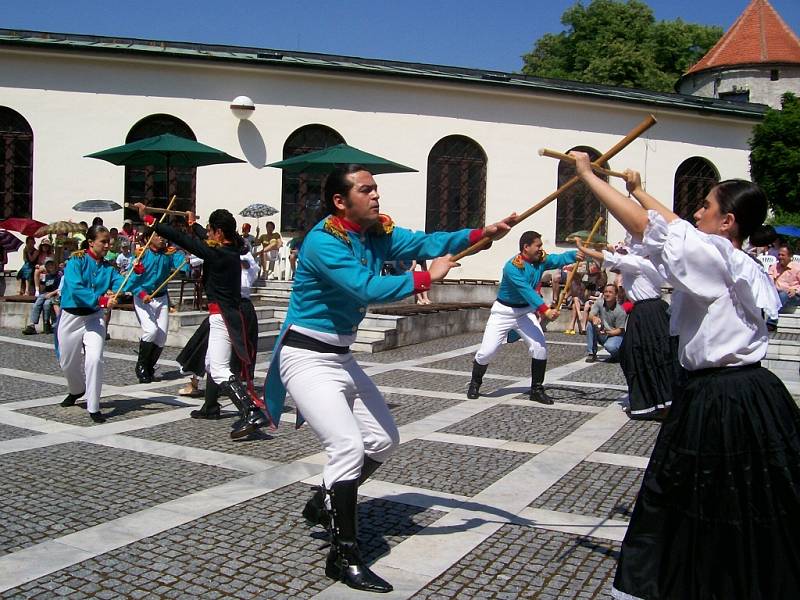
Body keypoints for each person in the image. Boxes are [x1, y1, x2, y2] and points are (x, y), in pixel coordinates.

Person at [262, 164, 515, 593]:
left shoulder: (375, 233)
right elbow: (364, 288)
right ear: (341, 201)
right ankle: (344, 555)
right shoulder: (324, 242)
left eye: (376, 189)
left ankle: (325, 499)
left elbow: (425, 241)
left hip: (340, 357)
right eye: (366, 190)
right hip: (305, 357)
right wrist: (424, 276)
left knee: (383, 441)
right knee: (346, 446)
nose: (376, 196)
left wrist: (482, 233)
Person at [572, 151, 799, 600]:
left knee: (688, 492)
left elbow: (646, 226)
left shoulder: (715, 256)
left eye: (706, 207)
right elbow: (672, 225)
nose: (696, 212)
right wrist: (636, 188)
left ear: (727, 221)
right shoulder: (743, 262)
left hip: (719, 396)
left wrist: (587, 177)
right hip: (753, 392)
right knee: (754, 494)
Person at [134, 203, 264, 439]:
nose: (210, 235)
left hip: (221, 316)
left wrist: (151, 221)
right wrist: (195, 225)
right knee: (212, 362)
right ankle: (212, 407)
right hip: (227, 313)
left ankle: (250, 410)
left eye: (212, 231)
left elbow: (183, 240)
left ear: (219, 233)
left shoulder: (216, 252)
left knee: (219, 367)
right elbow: (204, 238)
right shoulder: (234, 247)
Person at [579, 224, 682, 420]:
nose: (626, 243)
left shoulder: (639, 263)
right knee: (636, 354)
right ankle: (655, 401)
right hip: (647, 312)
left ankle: (662, 402)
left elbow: (613, 259)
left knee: (647, 355)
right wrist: (610, 248)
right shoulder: (644, 261)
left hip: (648, 313)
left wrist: (583, 248)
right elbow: (618, 256)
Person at [468, 231, 582, 404]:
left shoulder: (540, 260)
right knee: (487, 352)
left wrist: (576, 254)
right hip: (503, 313)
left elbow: (559, 259)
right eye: (538, 245)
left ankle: (536, 390)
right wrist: (545, 310)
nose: (541, 249)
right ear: (526, 247)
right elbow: (526, 291)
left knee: (540, 347)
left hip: (525, 312)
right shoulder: (512, 267)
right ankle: (475, 382)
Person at [57, 225, 124, 423]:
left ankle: (93, 406)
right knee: (67, 363)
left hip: (94, 318)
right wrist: (102, 300)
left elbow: (123, 283)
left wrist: (137, 273)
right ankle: (77, 390)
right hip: (71, 317)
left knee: (94, 359)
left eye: (108, 242)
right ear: (91, 242)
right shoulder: (75, 261)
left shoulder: (108, 268)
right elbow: (75, 288)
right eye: (103, 241)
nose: (107, 245)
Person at [182, 248, 260, 414]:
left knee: (221, 361)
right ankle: (210, 405)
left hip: (231, 309)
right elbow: (194, 259)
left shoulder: (229, 254)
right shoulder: (229, 253)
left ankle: (248, 410)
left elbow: (196, 258)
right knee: (215, 359)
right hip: (232, 308)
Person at [124, 233, 189, 383]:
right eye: (158, 236)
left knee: (161, 337)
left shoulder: (169, 253)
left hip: (161, 297)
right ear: (149, 238)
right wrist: (141, 294)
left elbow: (182, 264)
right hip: (143, 298)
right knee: (150, 330)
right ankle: (140, 366)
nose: (162, 239)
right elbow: (130, 281)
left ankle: (149, 366)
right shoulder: (141, 255)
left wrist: (185, 260)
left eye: (163, 236)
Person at [584, 283, 627, 363]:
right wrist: (594, 318)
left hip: (615, 335)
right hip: (602, 332)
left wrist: (606, 333)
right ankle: (591, 353)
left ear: (616, 295)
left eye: (610, 292)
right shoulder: (599, 303)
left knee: (610, 346)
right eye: (606, 292)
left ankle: (618, 355)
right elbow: (590, 315)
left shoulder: (620, 311)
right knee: (590, 324)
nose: (607, 294)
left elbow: (620, 330)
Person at [22, 257, 62, 335]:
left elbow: (61, 288)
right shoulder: (46, 276)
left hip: (55, 294)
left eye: (51, 264)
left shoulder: (59, 275)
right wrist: (41, 279)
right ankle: (32, 325)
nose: (50, 266)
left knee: (46, 304)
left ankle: (47, 324)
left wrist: (51, 293)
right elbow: (44, 288)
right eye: (48, 265)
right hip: (46, 294)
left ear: (55, 265)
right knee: (39, 302)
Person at [767, 243, 800, 329]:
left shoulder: (797, 268)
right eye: (779, 254)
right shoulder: (774, 267)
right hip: (776, 294)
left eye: (783, 255)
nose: (780, 257)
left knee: (783, 294)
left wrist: (796, 290)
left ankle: (771, 322)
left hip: (793, 296)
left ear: (790, 256)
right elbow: (769, 281)